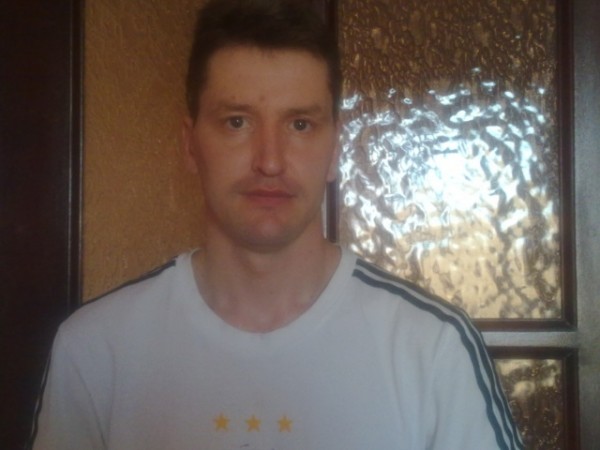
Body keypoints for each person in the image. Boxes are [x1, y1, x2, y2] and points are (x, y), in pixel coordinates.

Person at [30, 0, 523, 449]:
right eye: (237, 122)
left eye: (300, 124)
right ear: (190, 144)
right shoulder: (94, 350)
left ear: (334, 149)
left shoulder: (433, 348)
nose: (270, 160)